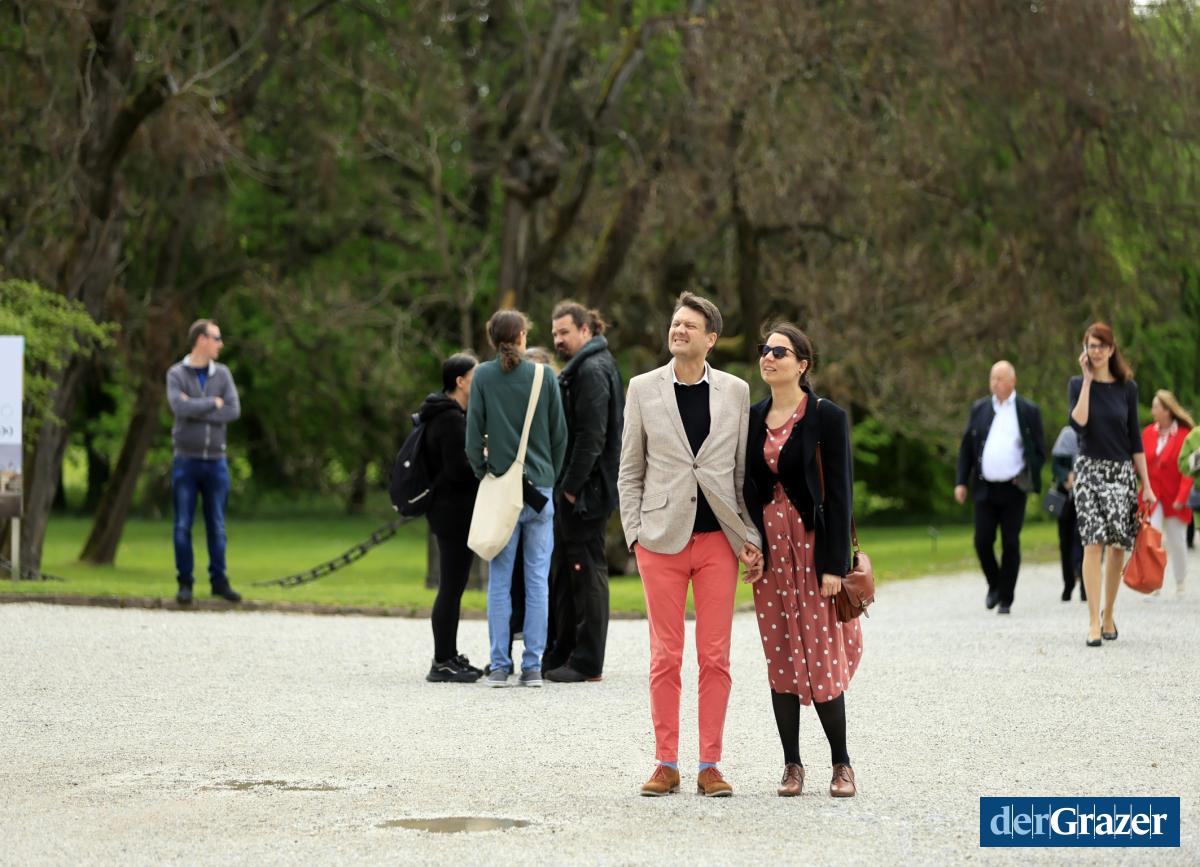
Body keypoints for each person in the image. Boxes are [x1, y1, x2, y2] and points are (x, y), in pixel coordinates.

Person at [618, 292, 763, 798]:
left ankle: (710, 765)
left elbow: (741, 474)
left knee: (715, 656)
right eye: (675, 323)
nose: (678, 330)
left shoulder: (736, 392)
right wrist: (634, 534)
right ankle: (665, 763)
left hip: (719, 541)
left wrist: (749, 536)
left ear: (711, 339)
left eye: (689, 325)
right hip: (659, 541)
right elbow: (630, 470)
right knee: (665, 656)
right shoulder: (642, 388)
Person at [743, 323, 862, 798]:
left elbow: (841, 494)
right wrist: (751, 543)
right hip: (772, 557)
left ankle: (842, 764)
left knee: (822, 656)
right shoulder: (752, 417)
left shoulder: (826, 416)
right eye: (765, 350)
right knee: (780, 658)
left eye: (780, 351)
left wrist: (835, 564)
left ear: (802, 364)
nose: (769, 357)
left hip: (813, 553)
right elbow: (746, 488)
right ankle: (792, 765)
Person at [466, 310, 567, 688]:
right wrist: (549, 475)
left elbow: (472, 436)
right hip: (539, 489)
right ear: (522, 336)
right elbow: (560, 436)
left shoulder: (483, 377)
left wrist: (485, 472)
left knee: (500, 580)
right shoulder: (544, 376)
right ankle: (533, 666)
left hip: (501, 488)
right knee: (537, 580)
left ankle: (498, 665)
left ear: (492, 339)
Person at [544, 301, 624, 683]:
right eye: (554, 333)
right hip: (580, 488)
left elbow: (592, 437)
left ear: (586, 330)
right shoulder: (585, 367)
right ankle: (563, 652)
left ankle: (587, 662)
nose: (558, 339)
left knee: (586, 570)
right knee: (567, 571)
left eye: (565, 332)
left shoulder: (592, 370)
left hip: (587, 492)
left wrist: (571, 488)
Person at [1068, 322, 1157, 646]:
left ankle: (1109, 614)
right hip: (1089, 471)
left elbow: (1135, 438)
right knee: (1092, 543)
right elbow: (1078, 423)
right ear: (1085, 350)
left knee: (1117, 545)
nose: (1096, 351)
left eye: (1101, 345)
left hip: (1121, 473)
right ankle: (1093, 621)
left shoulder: (1127, 388)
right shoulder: (1077, 383)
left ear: (1111, 349)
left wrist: (1146, 484)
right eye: (1091, 345)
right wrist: (1087, 381)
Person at [954, 361, 1046, 614]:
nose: (994, 383)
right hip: (984, 488)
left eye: (1000, 378)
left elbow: (1039, 451)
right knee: (982, 541)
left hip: (1013, 489)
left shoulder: (1028, 410)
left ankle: (1006, 598)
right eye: (992, 378)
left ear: (1012, 381)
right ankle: (994, 584)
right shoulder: (980, 408)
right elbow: (966, 448)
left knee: (1010, 543)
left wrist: (1026, 476)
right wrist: (961, 481)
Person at [166, 319, 242, 604]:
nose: (220, 344)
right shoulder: (176, 373)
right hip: (186, 460)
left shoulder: (222, 374)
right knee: (182, 525)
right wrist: (213, 403)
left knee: (217, 526)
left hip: (216, 461)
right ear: (201, 339)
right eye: (216, 338)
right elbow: (179, 406)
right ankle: (185, 583)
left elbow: (233, 410)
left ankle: (219, 581)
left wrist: (195, 408)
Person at [421, 353, 483, 683]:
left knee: (453, 587)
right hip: (453, 514)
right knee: (450, 587)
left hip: (448, 512)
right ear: (460, 381)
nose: (479, 382)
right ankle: (442, 660)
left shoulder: (445, 414)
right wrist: (484, 461)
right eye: (475, 376)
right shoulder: (450, 419)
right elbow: (459, 470)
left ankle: (449, 653)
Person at [1142, 390, 1194, 596]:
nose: (1152, 410)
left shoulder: (1184, 435)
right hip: (1153, 497)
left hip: (1175, 496)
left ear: (1167, 411)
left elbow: (1188, 470)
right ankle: (1154, 582)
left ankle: (1180, 580)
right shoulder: (1147, 433)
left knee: (1176, 540)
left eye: (1156, 406)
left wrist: (1182, 497)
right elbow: (1139, 462)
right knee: (1151, 537)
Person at [1049, 426, 1086, 602]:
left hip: (1086, 497)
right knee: (1065, 542)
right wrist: (1066, 477)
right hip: (1065, 497)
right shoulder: (1066, 434)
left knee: (1085, 541)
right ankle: (1068, 584)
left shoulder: (1095, 432)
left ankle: (1086, 586)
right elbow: (1055, 465)